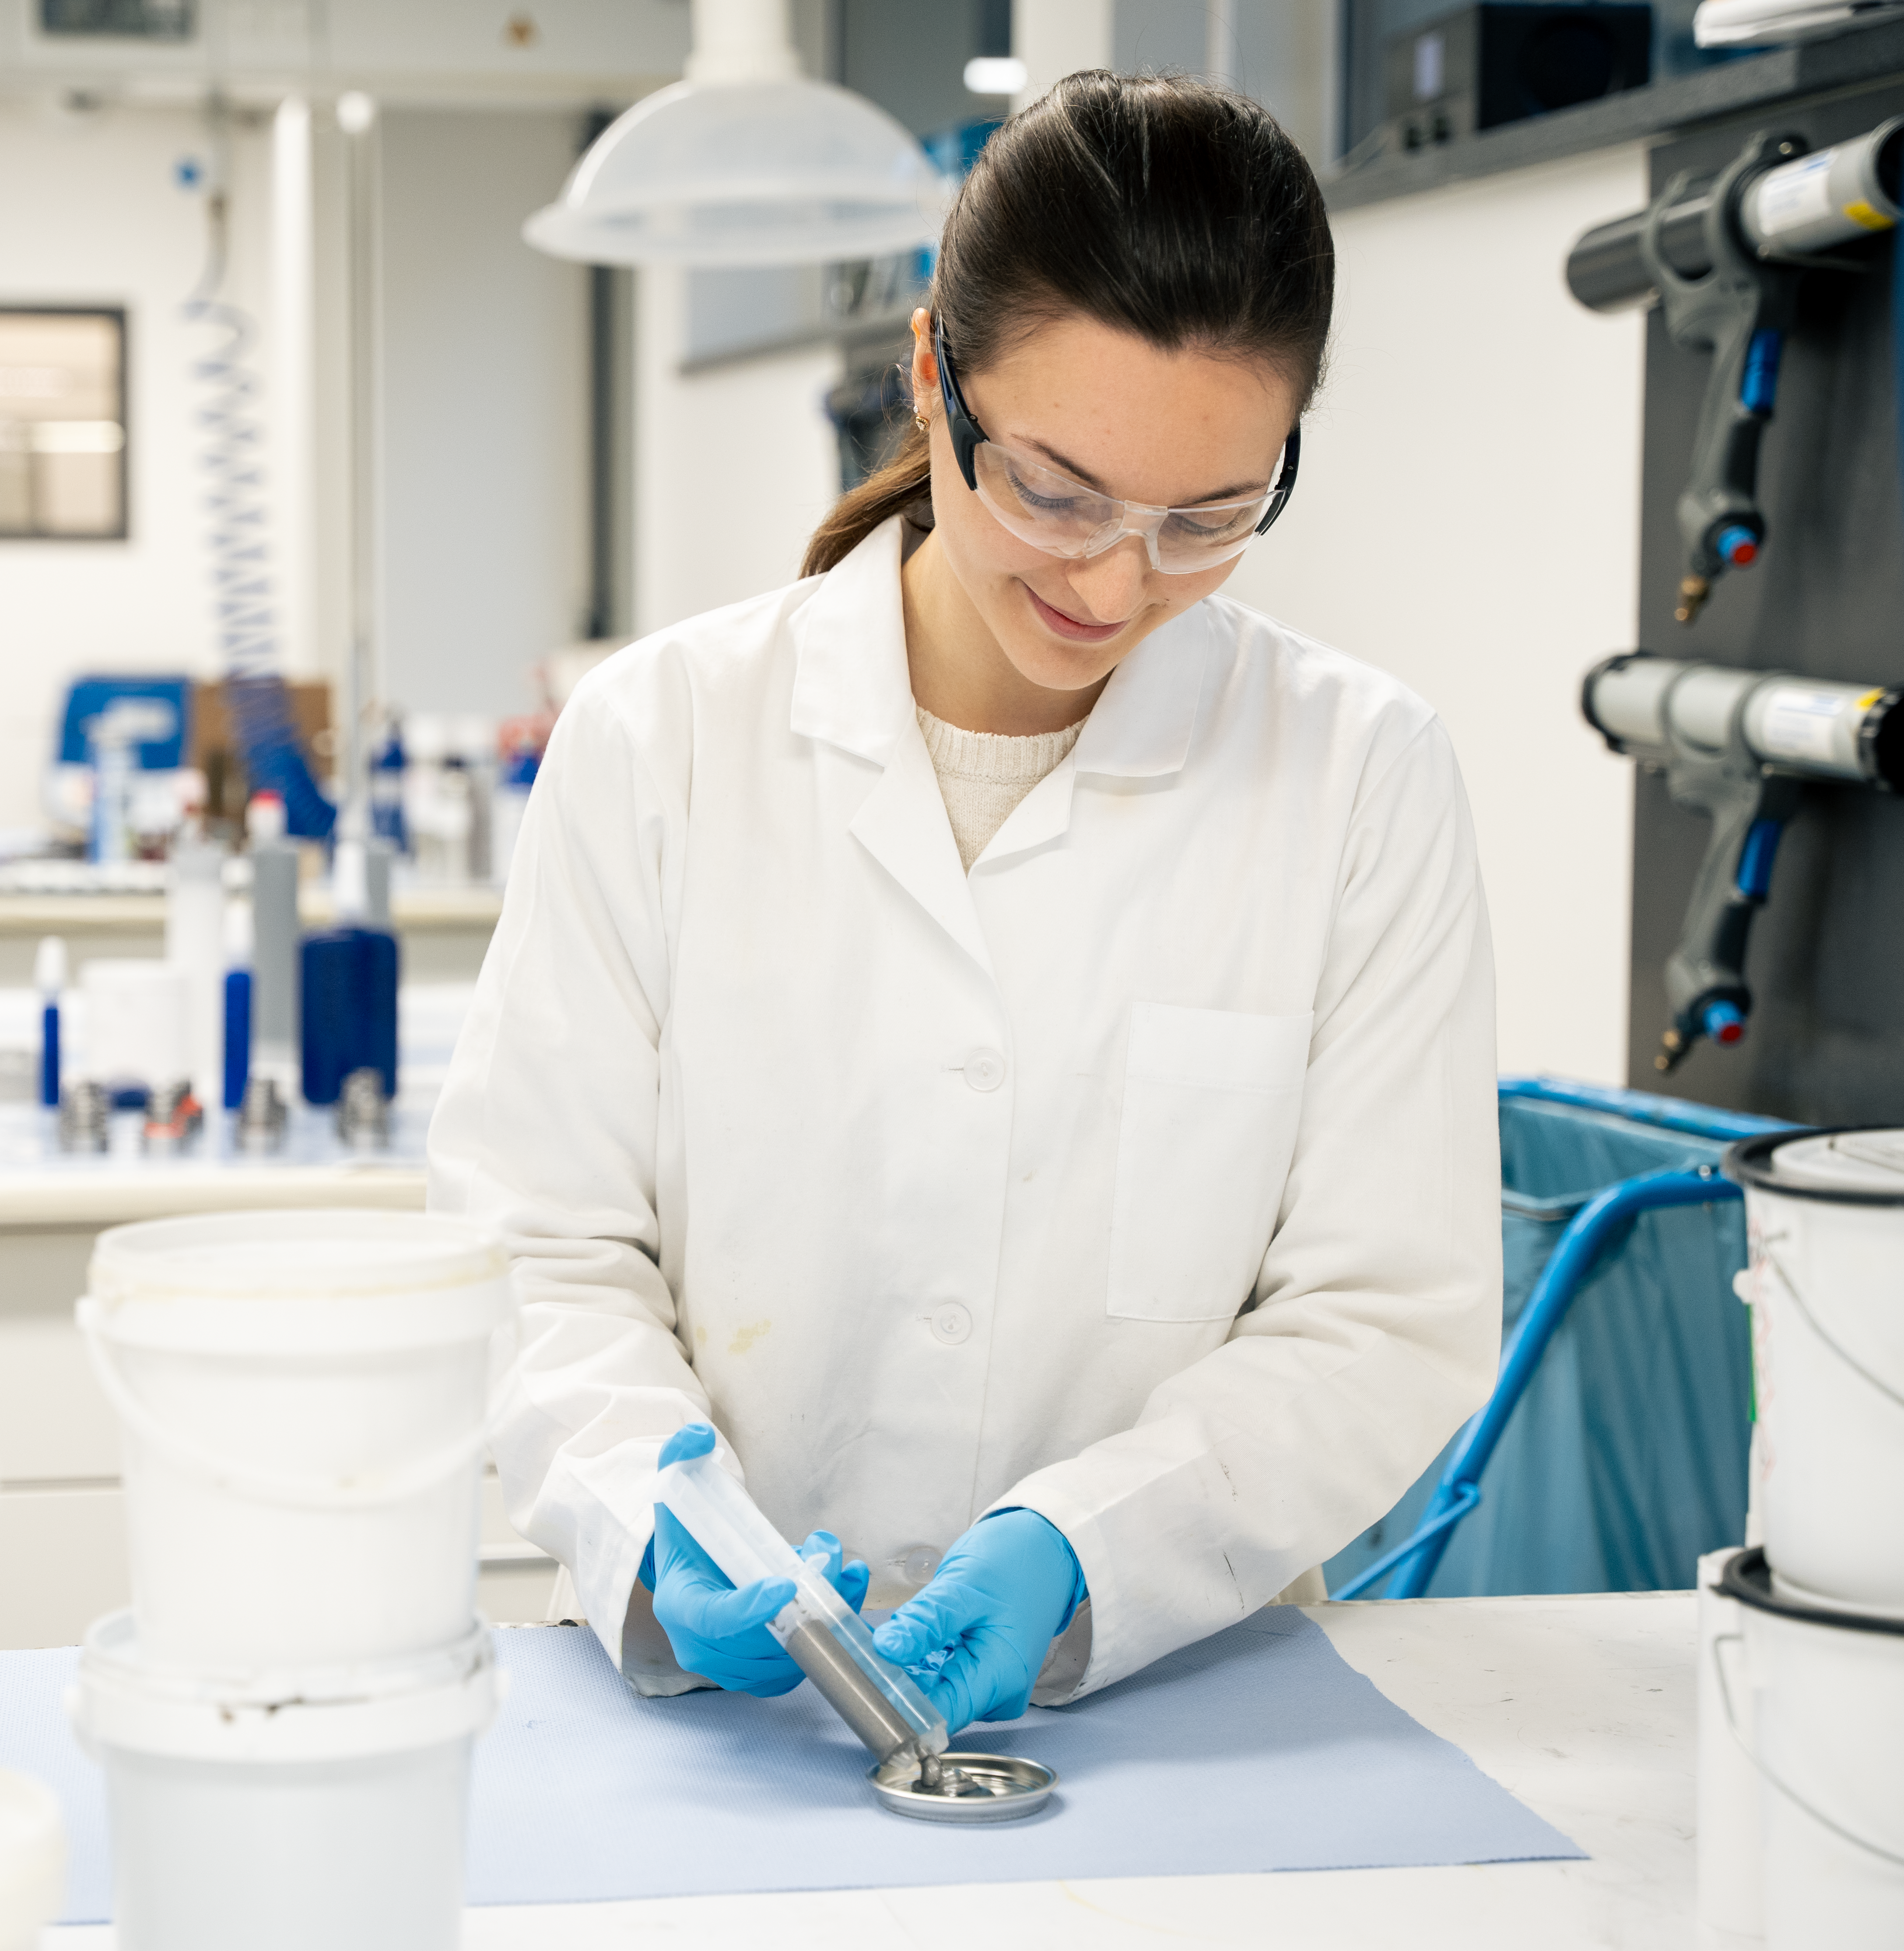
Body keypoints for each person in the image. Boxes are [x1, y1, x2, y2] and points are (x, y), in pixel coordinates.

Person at [428, 70, 1497, 1734]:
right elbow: (537, 1241)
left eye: (1209, 519)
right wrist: (653, 1515)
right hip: (730, 1722)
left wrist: (1090, 1547)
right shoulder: (666, 736)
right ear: (933, 377)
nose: (1114, 583)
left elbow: (1386, 1316)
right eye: (1056, 493)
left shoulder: (1361, 775)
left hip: (1168, 1713)